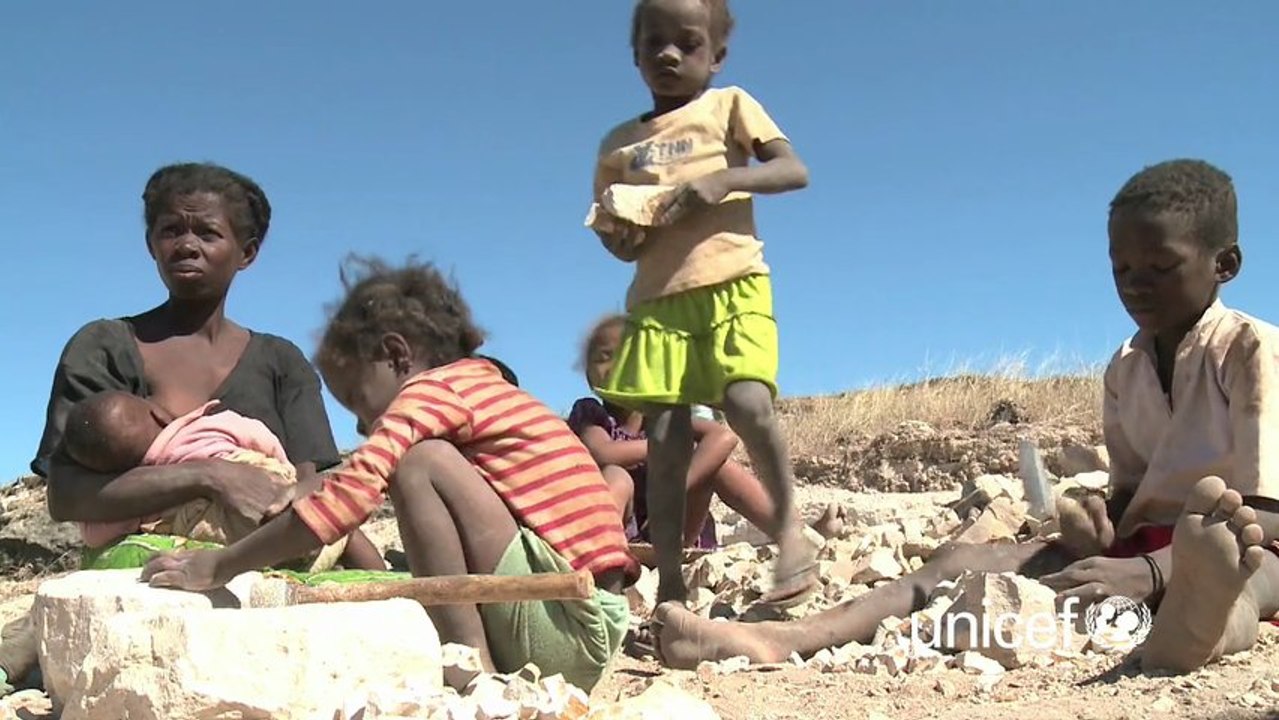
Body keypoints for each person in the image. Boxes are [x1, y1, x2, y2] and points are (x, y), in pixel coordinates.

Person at [650, 159, 1279, 675]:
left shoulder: (1251, 348)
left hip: (1249, 540)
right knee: (958, 565)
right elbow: (1130, 497)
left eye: (1160, 268)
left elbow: (1268, 511)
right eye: (1121, 269)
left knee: (1247, 569)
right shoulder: (1125, 367)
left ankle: (1203, 622)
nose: (1135, 285)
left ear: (1224, 265)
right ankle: (787, 639)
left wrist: (1152, 570)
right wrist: (1099, 528)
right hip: (1153, 547)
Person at [140, 256, 637, 692]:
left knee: (419, 463)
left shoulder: (429, 393)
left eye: (359, 403)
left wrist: (221, 565)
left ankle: (470, 665)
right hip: (589, 623)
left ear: (398, 357)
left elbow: (352, 497)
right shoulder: (483, 387)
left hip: (565, 625)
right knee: (426, 461)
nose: (361, 425)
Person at [0, 162, 360, 696]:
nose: (186, 244)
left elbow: (316, 477)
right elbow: (68, 494)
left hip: (263, 554)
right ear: (151, 244)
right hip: (145, 565)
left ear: (248, 252)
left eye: (207, 232)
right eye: (171, 230)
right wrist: (209, 476)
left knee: (372, 594)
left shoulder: (281, 361)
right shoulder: (103, 347)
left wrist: (287, 502)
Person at [588, 0, 811, 608]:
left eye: (687, 44)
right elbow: (618, 244)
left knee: (747, 402)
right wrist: (624, 233)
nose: (668, 55)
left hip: (733, 283)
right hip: (657, 305)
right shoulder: (618, 147)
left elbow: (793, 171)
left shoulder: (729, 105)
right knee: (663, 443)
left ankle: (790, 530)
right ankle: (672, 586)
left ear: (716, 56)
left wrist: (722, 181)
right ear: (634, 53)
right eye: (653, 42)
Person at [61, 390, 383, 569]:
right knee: (346, 529)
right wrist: (289, 479)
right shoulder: (209, 424)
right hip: (277, 498)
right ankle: (385, 580)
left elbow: (96, 532)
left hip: (231, 541)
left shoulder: (139, 484)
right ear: (158, 414)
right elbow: (261, 437)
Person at [569, 313, 797, 549]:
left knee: (714, 463)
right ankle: (598, 552)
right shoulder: (591, 414)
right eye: (603, 357)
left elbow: (723, 436)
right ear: (588, 373)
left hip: (671, 528)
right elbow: (604, 454)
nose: (613, 366)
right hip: (624, 533)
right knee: (617, 475)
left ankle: (793, 533)